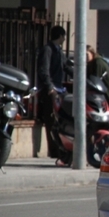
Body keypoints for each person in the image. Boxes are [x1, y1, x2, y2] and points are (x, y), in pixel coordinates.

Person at [37, 25, 67, 159]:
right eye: (64, 36)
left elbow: (66, 66)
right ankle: (53, 151)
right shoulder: (47, 50)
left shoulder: (59, 51)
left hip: (60, 89)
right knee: (51, 121)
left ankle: (62, 149)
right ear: (60, 36)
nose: (64, 39)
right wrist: (50, 87)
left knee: (60, 121)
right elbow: (44, 70)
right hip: (51, 90)